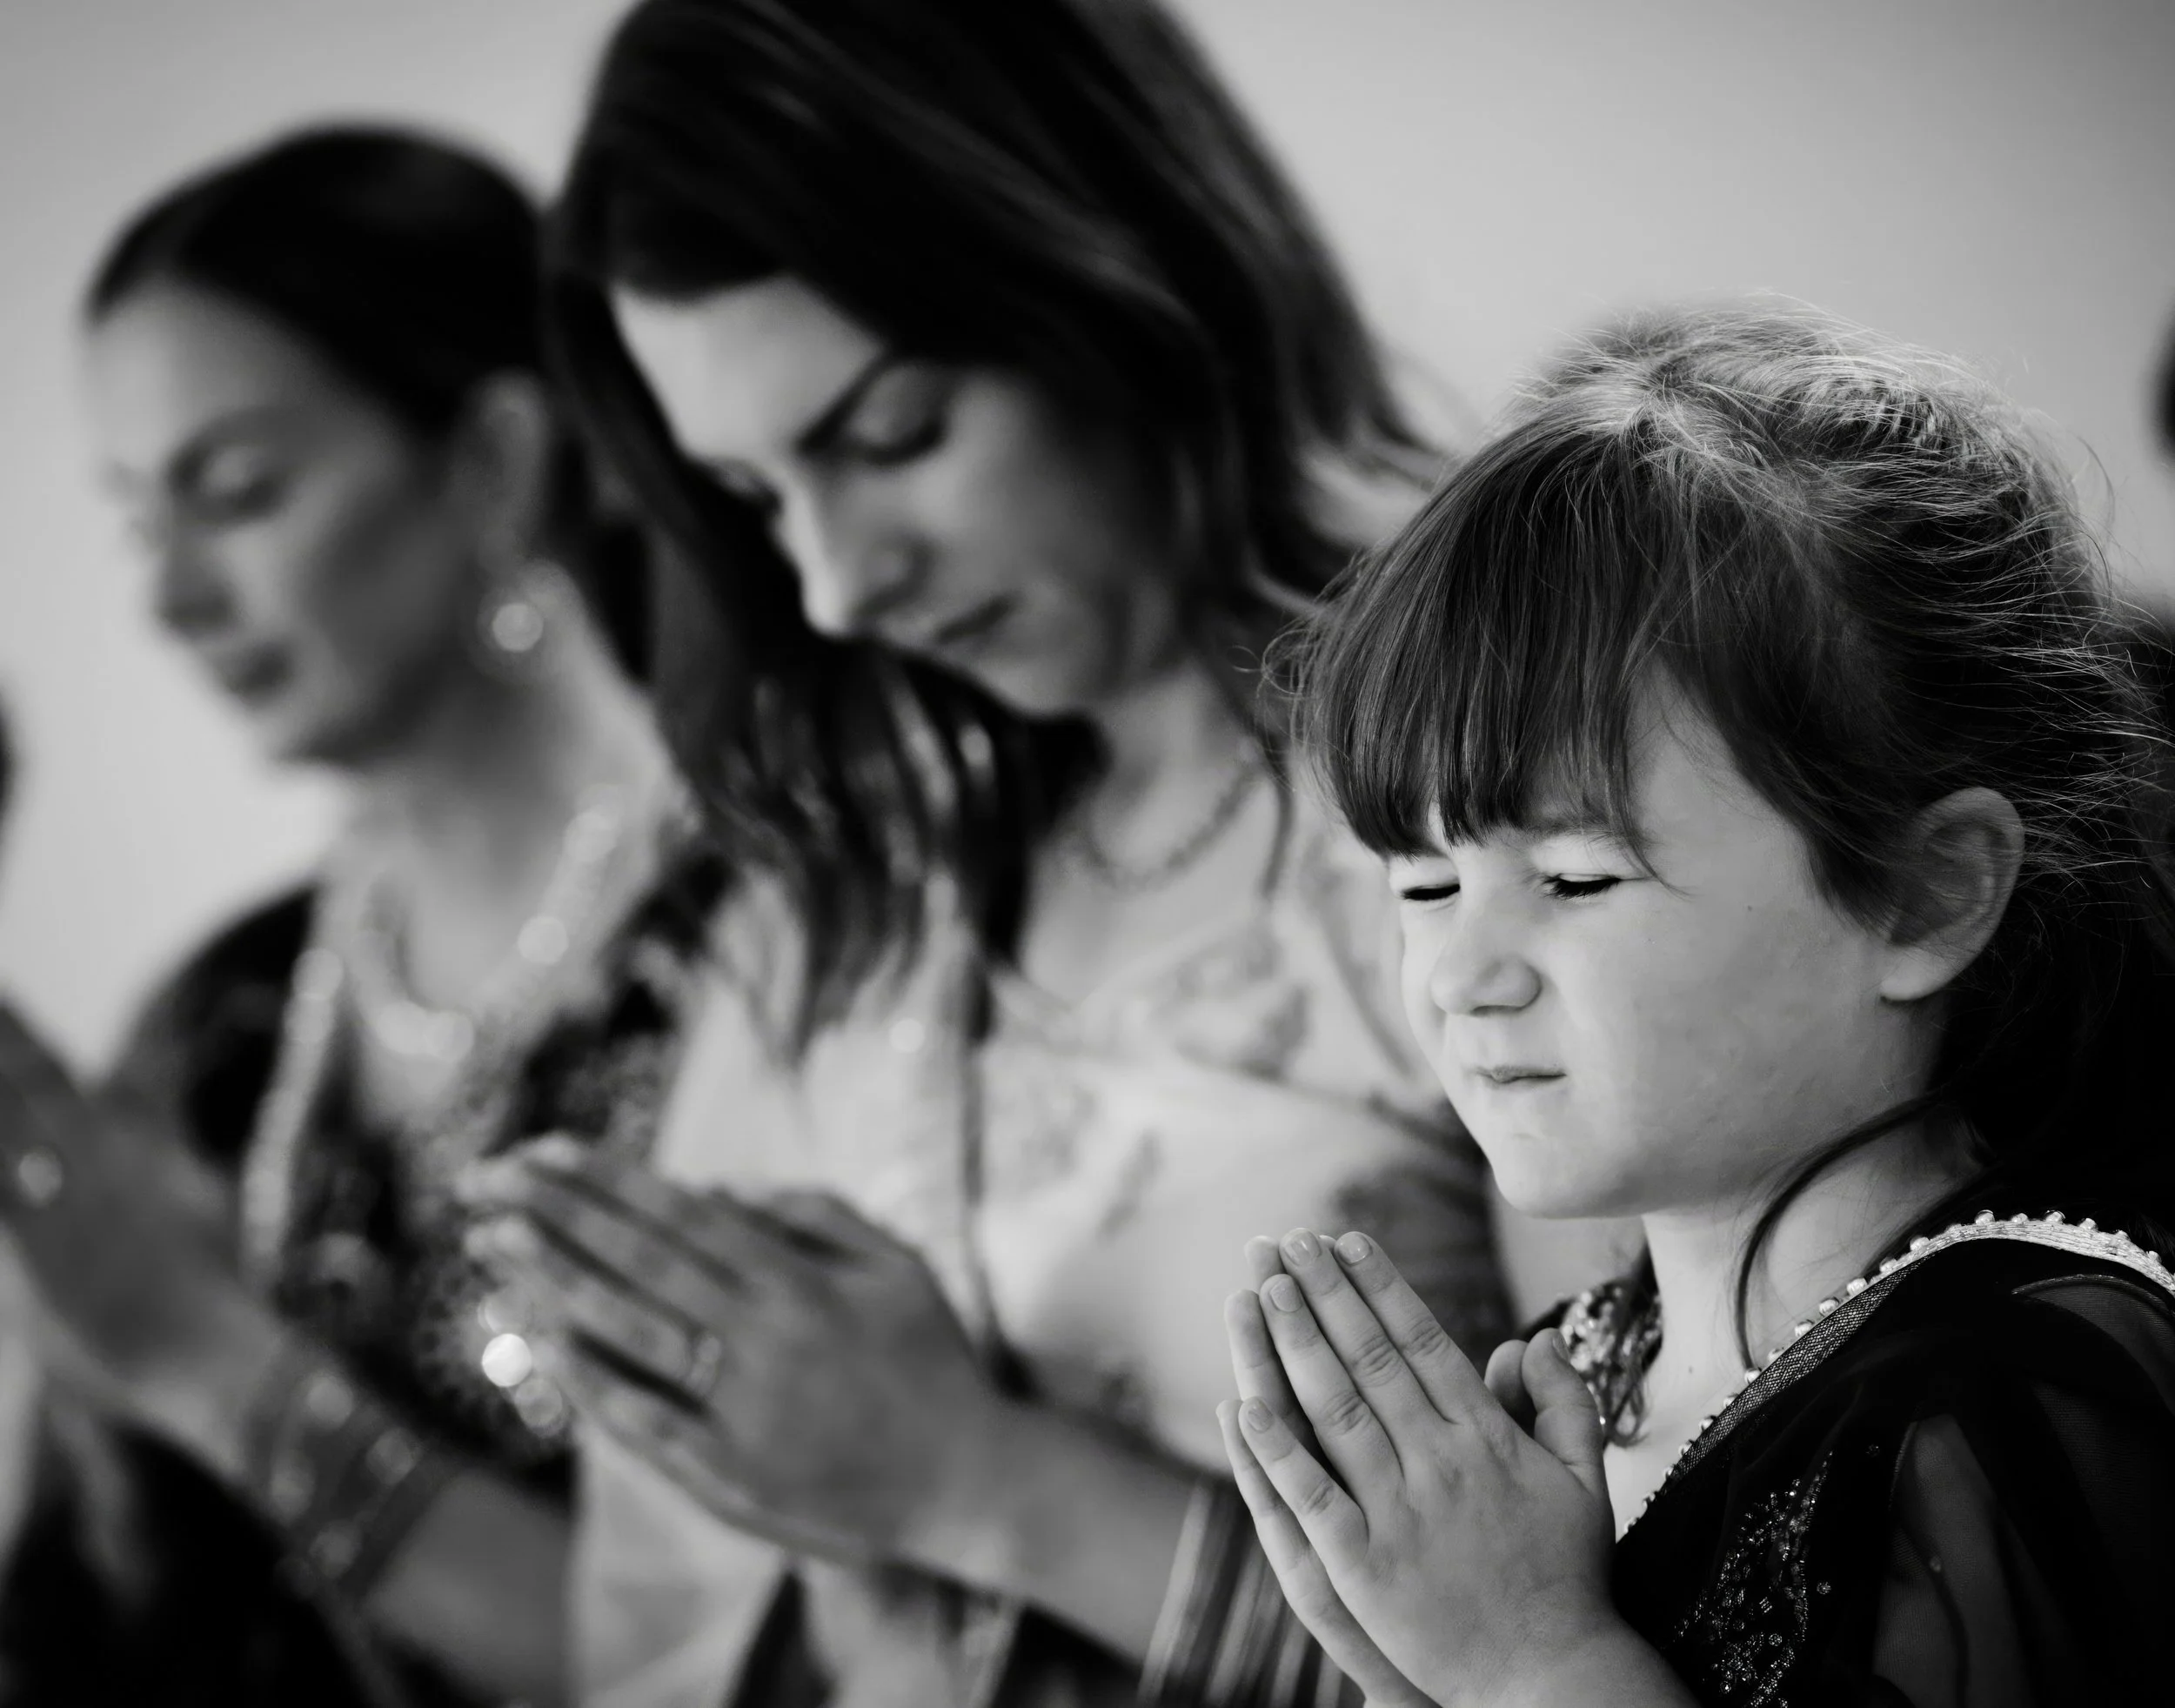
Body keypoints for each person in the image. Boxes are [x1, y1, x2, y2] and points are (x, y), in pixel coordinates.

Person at [458, 1, 1563, 1703]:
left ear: (1119, 275)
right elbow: (666, 1628)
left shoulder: (1516, 785)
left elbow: (1663, 1635)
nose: (838, 585)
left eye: (892, 434)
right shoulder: (849, 899)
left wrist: (977, 1482)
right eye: (754, 498)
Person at [1217, 302, 2175, 1705]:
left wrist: (1530, 1661)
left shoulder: (2027, 1384)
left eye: (1577, 877)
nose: (1465, 976)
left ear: (1922, 895)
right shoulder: (1610, 1351)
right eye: (1422, 886)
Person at [0, 125, 719, 1706]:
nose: (170, 597)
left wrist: (205, 1360)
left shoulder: (768, 943)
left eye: (238, 490)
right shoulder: (221, 1029)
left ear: (493, 462)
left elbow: (769, 1655)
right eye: (140, 518)